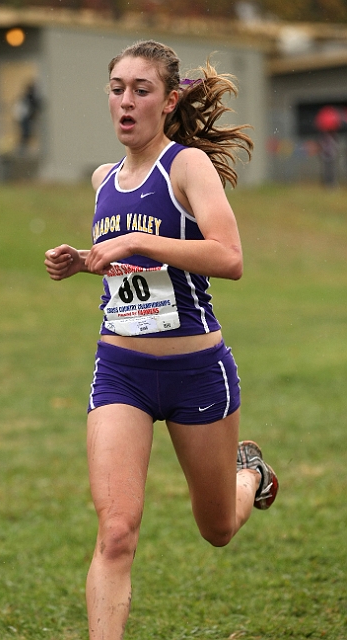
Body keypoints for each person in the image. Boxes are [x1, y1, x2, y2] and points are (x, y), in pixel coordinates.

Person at [44, 39, 279, 640]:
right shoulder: (103, 179)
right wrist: (85, 262)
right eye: (117, 89)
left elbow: (229, 258)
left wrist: (137, 243)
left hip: (196, 372)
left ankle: (249, 474)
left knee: (218, 527)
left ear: (169, 100)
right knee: (116, 531)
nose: (126, 102)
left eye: (141, 90)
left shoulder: (186, 166)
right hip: (120, 371)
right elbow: (125, 266)